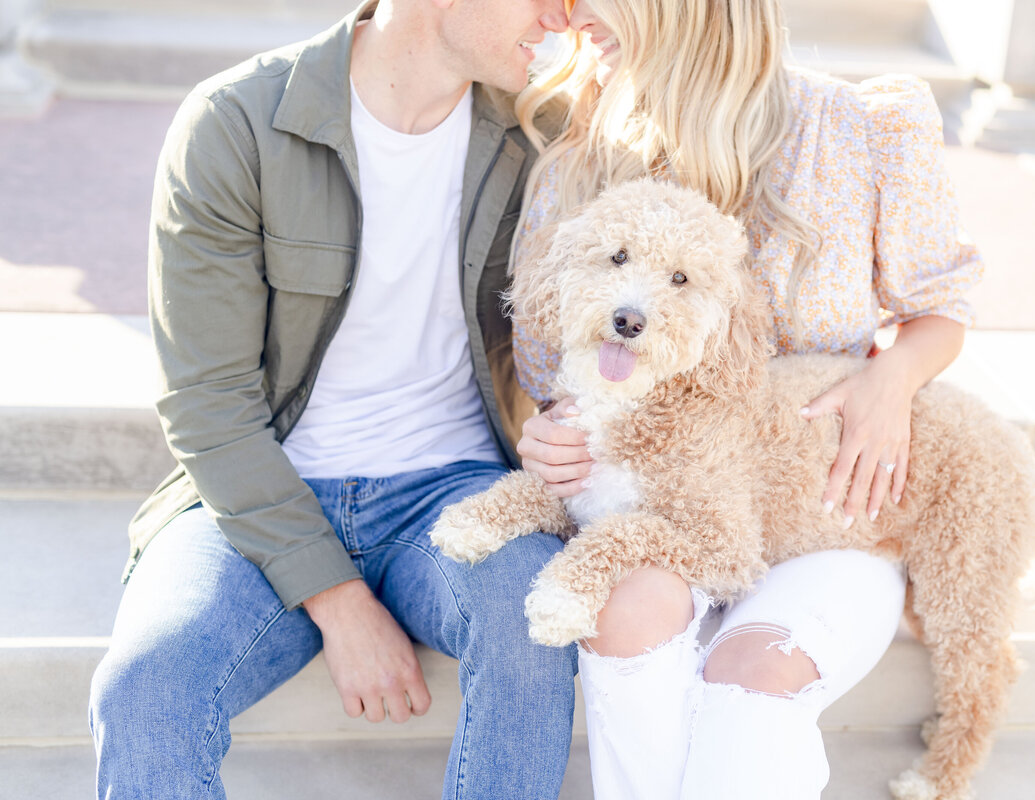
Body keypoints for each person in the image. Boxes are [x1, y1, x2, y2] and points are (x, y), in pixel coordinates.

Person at [87, 1, 579, 798]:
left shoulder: (543, 135)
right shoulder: (237, 123)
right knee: (143, 687)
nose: (563, 14)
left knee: (533, 615)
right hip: (257, 498)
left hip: (454, 489)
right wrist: (338, 600)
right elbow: (206, 403)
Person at [510, 0, 983, 797]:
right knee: (623, 611)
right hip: (667, 505)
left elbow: (943, 308)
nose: (565, 9)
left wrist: (891, 378)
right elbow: (547, 367)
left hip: (828, 513)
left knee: (751, 679)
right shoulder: (578, 158)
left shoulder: (858, 127)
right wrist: (547, 434)